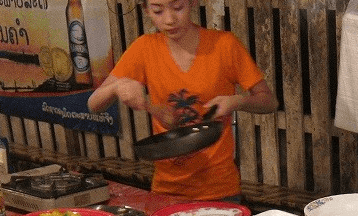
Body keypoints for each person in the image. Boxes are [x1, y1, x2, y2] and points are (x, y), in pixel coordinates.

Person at [88, 0, 278, 202]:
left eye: (178, 7)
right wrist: (117, 87)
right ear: (146, 10)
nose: (169, 20)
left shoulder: (224, 45)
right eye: (158, 10)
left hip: (220, 190)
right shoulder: (145, 48)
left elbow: (269, 102)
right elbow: (94, 104)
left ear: (192, 3)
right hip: (166, 189)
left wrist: (237, 101)